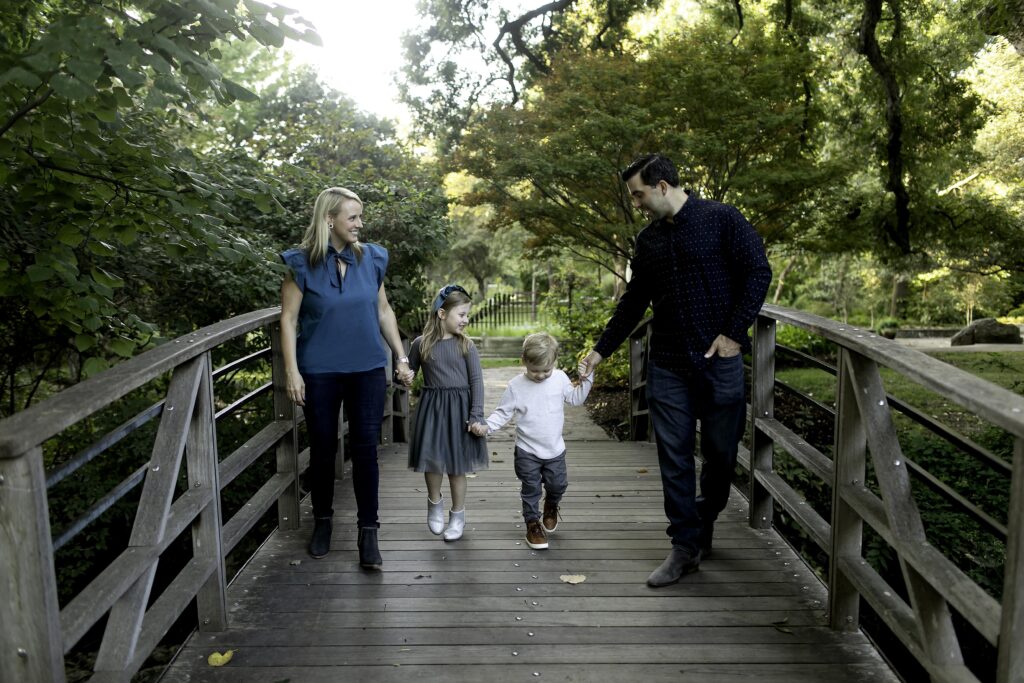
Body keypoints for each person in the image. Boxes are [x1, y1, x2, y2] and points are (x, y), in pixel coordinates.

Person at [578, 154, 772, 587]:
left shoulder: (722, 219)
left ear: (662, 186)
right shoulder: (648, 242)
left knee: (721, 458)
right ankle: (684, 545)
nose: (637, 203)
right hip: (667, 365)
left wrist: (732, 332)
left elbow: (758, 272)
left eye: (639, 194)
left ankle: (704, 521)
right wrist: (599, 352)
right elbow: (633, 303)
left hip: (718, 363)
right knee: (675, 458)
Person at [280, 187, 414, 569]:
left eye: (359, 216)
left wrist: (400, 357)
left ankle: (368, 532)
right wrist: (292, 371)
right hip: (319, 371)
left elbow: (384, 310)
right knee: (322, 451)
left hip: (369, 369)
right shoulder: (300, 263)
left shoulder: (371, 258)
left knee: (366, 451)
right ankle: (322, 523)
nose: (360, 223)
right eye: (352, 217)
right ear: (329, 220)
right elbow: (288, 320)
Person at [471, 333, 593, 550]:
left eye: (546, 370)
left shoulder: (559, 378)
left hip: (555, 450)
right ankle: (532, 523)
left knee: (558, 485)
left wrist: (586, 380)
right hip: (527, 450)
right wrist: (487, 426)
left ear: (554, 362)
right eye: (534, 370)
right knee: (531, 488)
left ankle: (551, 504)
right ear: (524, 361)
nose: (540, 375)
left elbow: (575, 399)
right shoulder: (516, 386)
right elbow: (502, 412)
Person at [405, 284, 489, 541]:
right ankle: (434, 503)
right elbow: (408, 374)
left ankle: (458, 515)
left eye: (466, 315)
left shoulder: (466, 346)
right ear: (442, 314)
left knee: (456, 466)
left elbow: (477, 381)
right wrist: (405, 376)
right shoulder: (421, 344)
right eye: (461, 314)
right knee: (432, 460)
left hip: (460, 410)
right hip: (432, 409)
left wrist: (476, 415)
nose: (466, 320)